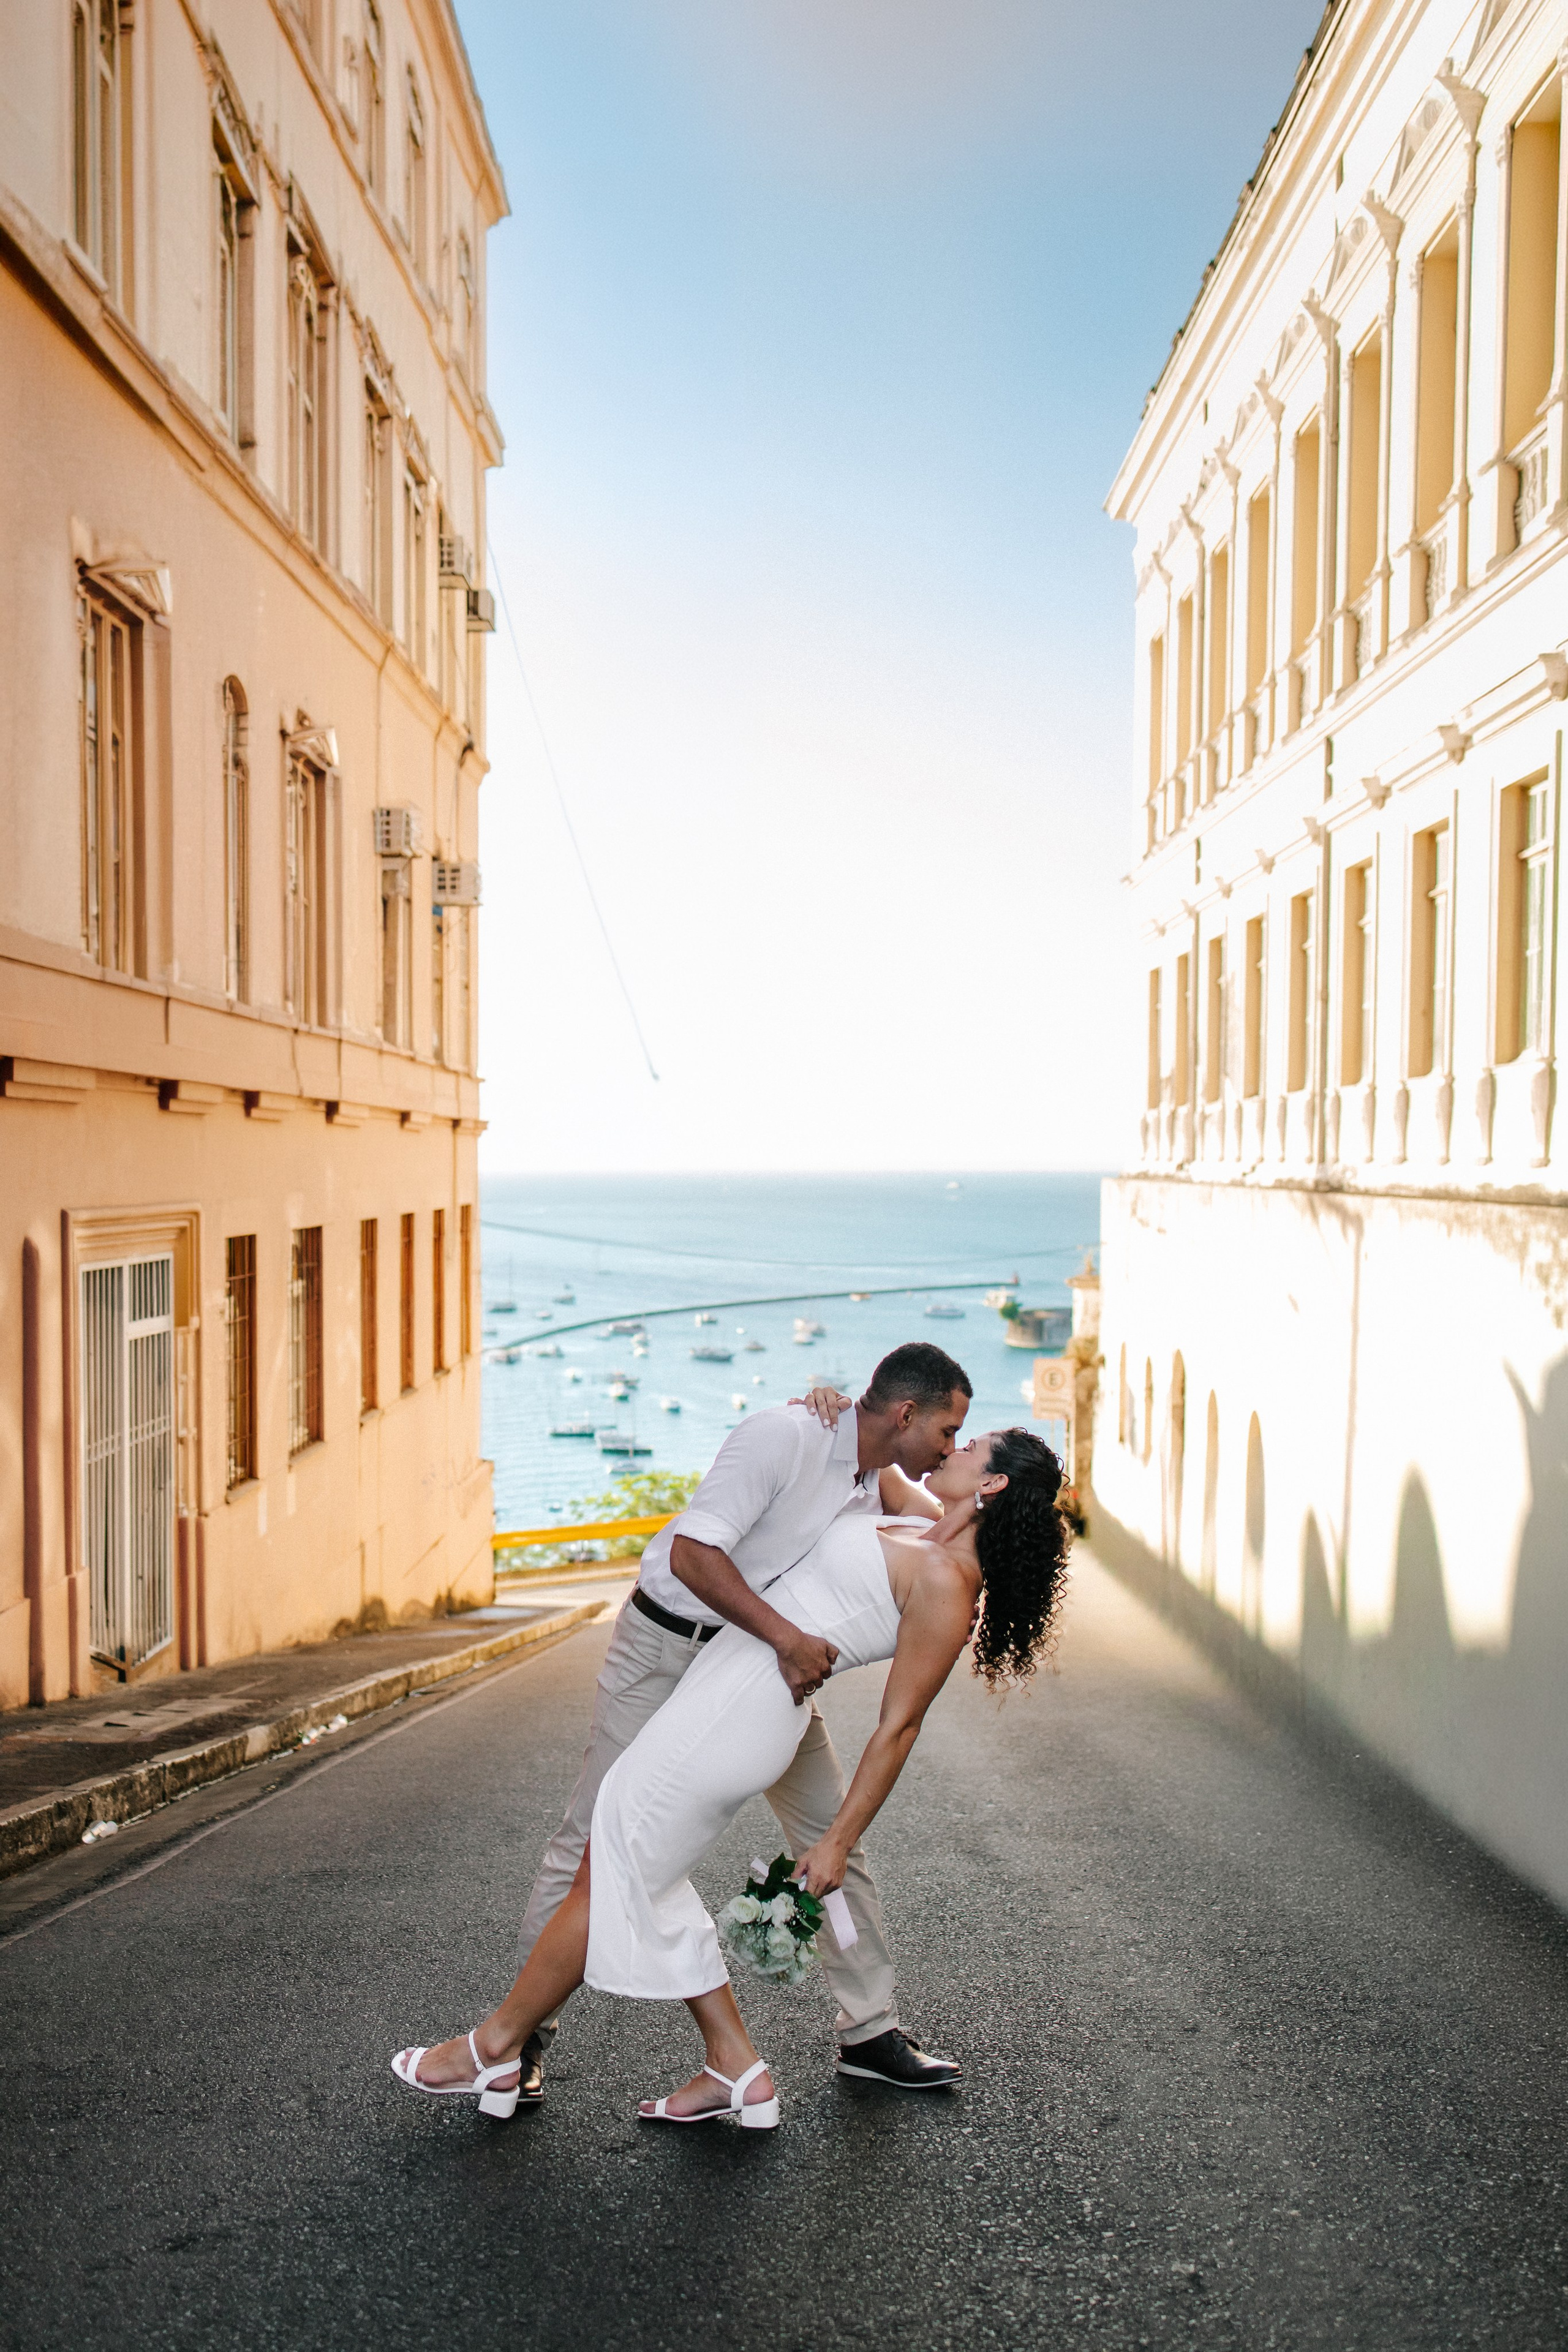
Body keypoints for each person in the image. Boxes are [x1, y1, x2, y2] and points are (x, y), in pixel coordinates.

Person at [391, 1425, 1071, 2127]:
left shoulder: (949, 1582)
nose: (951, 1449)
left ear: (992, 1484)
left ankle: (493, 2047)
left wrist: (836, 1839)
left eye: (969, 1448)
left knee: (621, 1853)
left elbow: (898, 1727)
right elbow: (876, 1448)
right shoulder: (913, 1520)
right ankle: (732, 2068)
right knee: (632, 1863)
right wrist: (832, 1404)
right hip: (726, 1686)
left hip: (747, 1714)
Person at [496, 1342, 973, 2106]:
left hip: (760, 1676)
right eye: (948, 1432)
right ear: (907, 1414)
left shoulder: (874, 1475)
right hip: (672, 1651)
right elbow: (691, 1555)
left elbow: (957, 1521)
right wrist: (787, 1638)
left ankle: (870, 2029)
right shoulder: (783, 1436)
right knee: (596, 1837)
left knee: (833, 1842)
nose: (951, 1449)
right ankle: (522, 2039)